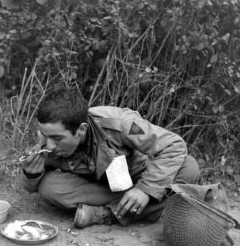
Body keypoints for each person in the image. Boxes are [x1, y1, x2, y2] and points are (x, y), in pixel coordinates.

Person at [20, 87, 201, 228]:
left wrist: (146, 189)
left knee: (189, 167)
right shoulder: (48, 138)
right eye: (44, 135)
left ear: (81, 129)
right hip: (97, 189)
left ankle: (107, 215)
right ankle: (147, 207)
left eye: (57, 138)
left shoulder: (120, 123)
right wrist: (31, 175)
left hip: (135, 178)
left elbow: (173, 145)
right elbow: (30, 186)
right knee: (50, 187)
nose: (49, 145)